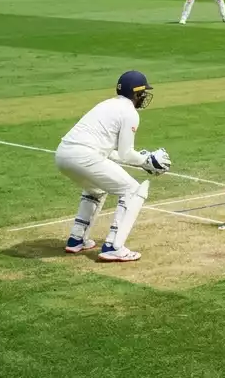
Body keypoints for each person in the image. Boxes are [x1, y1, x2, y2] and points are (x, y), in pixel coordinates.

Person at [54, 71, 170, 262]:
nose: (144, 96)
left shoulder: (107, 104)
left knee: (96, 189)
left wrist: (144, 160)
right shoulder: (130, 112)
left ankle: (77, 239)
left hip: (63, 154)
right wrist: (147, 161)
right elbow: (126, 153)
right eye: (143, 92)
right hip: (85, 156)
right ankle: (113, 246)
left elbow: (111, 153)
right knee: (133, 190)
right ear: (136, 93)